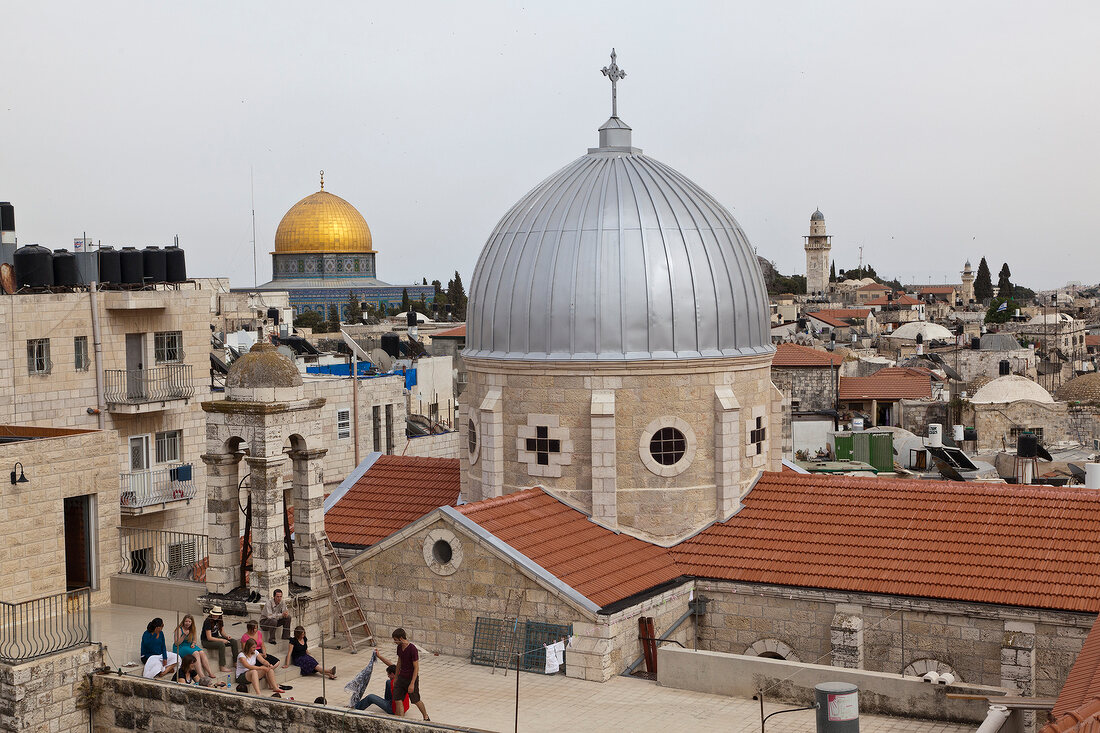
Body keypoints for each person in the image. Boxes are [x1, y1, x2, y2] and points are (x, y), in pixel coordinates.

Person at [391, 628, 429, 721]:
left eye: (395, 639)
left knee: (415, 700)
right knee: (397, 698)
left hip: (411, 678)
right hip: (401, 677)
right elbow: (399, 662)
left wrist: (412, 683)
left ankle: (426, 716)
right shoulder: (399, 647)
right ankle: (401, 720)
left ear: (400, 638)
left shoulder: (412, 649)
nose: (394, 641)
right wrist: (396, 677)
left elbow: (416, 667)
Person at [174, 614, 216, 679]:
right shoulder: (179, 629)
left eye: (189, 622)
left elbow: (195, 640)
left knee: (201, 652)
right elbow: (177, 643)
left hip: (189, 645)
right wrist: (184, 636)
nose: (187, 623)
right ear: (183, 622)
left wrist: (193, 644)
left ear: (192, 622)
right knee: (196, 653)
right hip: (180, 646)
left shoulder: (192, 629)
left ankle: (209, 672)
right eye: (186, 621)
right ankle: (201, 675)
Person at [200, 606, 239, 673]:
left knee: (233, 641)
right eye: (214, 614)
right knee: (221, 644)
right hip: (206, 641)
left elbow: (222, 632)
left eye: (217, 615)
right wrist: (222, 640)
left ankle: (235, 662)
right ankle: (222, 666)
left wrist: (226, 637)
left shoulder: (219, 619)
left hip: (216, 637)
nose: (216, 616)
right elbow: (209, 637)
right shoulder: (208, 621)